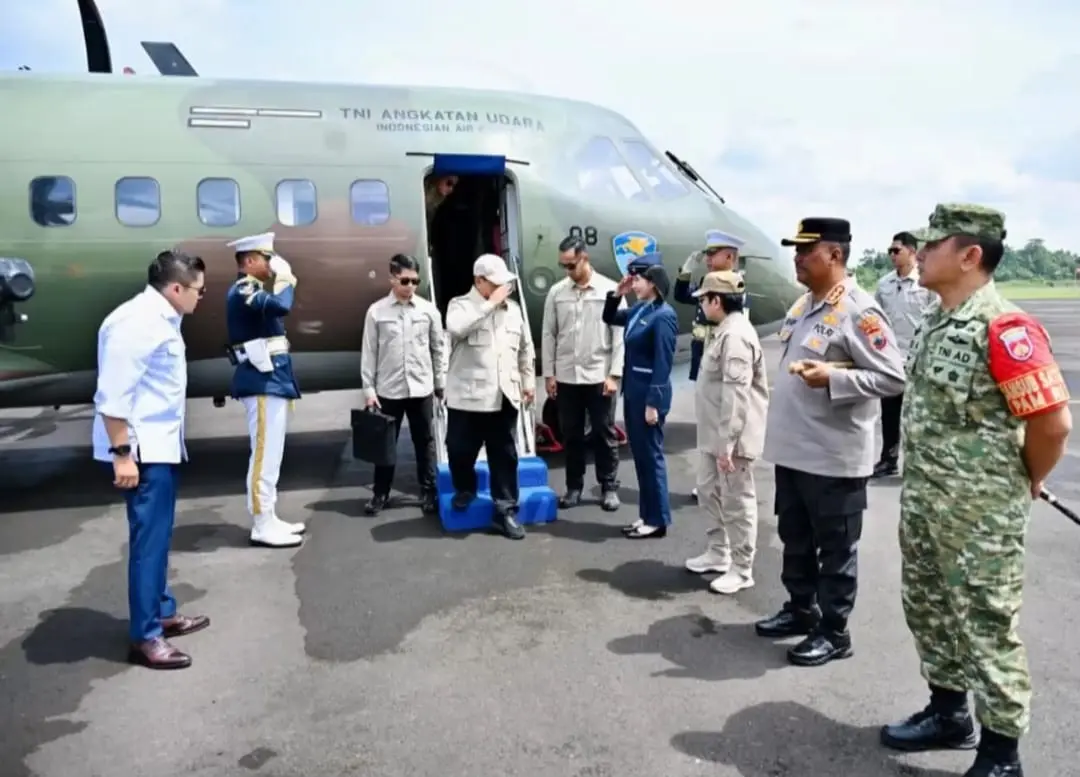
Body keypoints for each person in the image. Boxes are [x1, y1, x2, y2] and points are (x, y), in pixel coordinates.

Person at [880, 204, 1072, 777]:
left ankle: (1001, 753)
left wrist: (1029, 476)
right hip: (927, 503)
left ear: (969, 255)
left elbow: (1053, 424)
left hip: (981, 516)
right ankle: (948, 714)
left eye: (934, 244)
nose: (922, 251)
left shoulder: (1005, 327)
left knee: (986, 623)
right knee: (929, 609)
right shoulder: (939, 320)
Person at [756, 217, 905, 667]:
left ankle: (834, 631)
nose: (797, 259)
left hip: (834, 457)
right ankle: (801, 608)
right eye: (796, 251)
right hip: (795, 451)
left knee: (835, 549)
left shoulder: (860, 311)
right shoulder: (805, 305)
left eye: (806, 251)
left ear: (835, 255)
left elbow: (893, 376)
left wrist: (834, 377)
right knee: (794, 538)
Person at [92, 250, 209, 670]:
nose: (202, 296)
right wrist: (123, 454)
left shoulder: (160, 318)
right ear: (176, 288)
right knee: (149, 543)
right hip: (142, 454)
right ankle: (146, 636)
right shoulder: (137, 322)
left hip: (160, 448)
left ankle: (161, 611)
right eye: (198, 289)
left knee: (159, 539)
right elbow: (113, 396)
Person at [684, 270, 769, 594]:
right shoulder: (723, 330)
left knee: (736, 500)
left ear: (716, 300)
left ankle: (742, 567)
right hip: (713, 434)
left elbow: (736, 394)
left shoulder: (735, 336)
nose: (702, 306)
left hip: (731, 438)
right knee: (708, 491)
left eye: (704, 299)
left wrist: (729, 443)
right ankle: (718, 553)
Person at [444, 253, 536, 540]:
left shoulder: (513, 310)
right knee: (459, 450)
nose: (502, 289)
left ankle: (506, 509)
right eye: (496, 283)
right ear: (479, 281)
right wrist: (489, 305)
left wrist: (528, 381)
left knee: (505, 456)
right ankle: (465, 487)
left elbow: (525, 348)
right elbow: (456, 328)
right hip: (468, 398)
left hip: (504, 395)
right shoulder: (460, 305)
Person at [225, 232, 305, 549]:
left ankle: (269, 517)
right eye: (267, 258)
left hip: (272, 379)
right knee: (263, 454)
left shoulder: (254, 288)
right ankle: (260, 522)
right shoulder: (244, 289)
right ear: (250, 261)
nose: (271, 264)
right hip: (260, 381)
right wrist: (286, 278)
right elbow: (281, 306)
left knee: (272, 454)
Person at [541, 234, 625, 512]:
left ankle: (609, 487)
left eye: (571, 265)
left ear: (584, 258)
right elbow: (549, 334)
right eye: (563, 265)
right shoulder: (557, 293)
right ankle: (574, 487)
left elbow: (619, 337)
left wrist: (614, 375)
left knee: (604, 432)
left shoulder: (610, 291)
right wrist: (549, 374)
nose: (567, 271)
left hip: (599, 376)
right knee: (571, 434)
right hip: (567, 376)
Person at [360, 253, 448, 515]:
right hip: (389, 389)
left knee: (425, 442)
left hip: (421, 387)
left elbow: (438, 348)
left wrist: (440, 383)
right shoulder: (376, 312)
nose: (411, 286)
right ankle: (380, 494)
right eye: (405, 280)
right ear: (392, 278)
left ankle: (429, 491)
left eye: (415, 281)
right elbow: (369, 352)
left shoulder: (428, 310)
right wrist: (369, 390)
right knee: (386, 445)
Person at [602, 252, 678, 539]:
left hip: (648, 398)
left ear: (654, 282)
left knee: (651, 458)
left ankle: (658, 520)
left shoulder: (664, 316)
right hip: (633, 394)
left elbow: (663, 362)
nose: (633, 284)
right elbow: (609, 316)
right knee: (642, 459)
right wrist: (616, 293)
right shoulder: (639, 310)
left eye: (638, 279)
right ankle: (647, 515)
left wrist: (653, 404)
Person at [673, 229, 745, 502]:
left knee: (721, 428)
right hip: (703, 358)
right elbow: (683, 296)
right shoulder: (708, 281)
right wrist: (685, 272)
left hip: (719, 362)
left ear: (730, 256)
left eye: (712, 254)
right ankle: (710, 481)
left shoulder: (733, 286)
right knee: (707, 426)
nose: (707, 259)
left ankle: (720, 482)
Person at [871, 231, 935, 477]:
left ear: (912, 252)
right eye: (890, 251)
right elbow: (875, 319)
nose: (892, 255)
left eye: (896, 250)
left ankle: (920, 463)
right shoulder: (885, 283)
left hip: (919, 358)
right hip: (892, 358)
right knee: (889, 414)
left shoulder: (925, 283)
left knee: (919, 415)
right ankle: (888, 459)